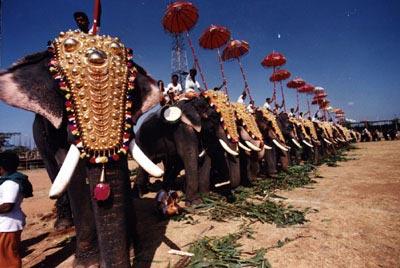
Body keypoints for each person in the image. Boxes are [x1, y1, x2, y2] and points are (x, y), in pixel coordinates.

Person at [0, 151, 32, 268]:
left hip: (8, 226)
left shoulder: (11, 183)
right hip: (4, 225)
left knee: (8, 258)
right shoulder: (6, 181)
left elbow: (7, 206)